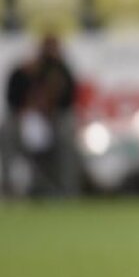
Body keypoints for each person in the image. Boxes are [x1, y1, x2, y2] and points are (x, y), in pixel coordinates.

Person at [1, 35, 83, 197]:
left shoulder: (61, 71)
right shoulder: (22, 72)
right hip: (24, 119)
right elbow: (12, 100)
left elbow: (68, 101)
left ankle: (67, 190)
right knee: (7, 130)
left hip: (53, 121)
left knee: (66, 133)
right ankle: (9, 189)